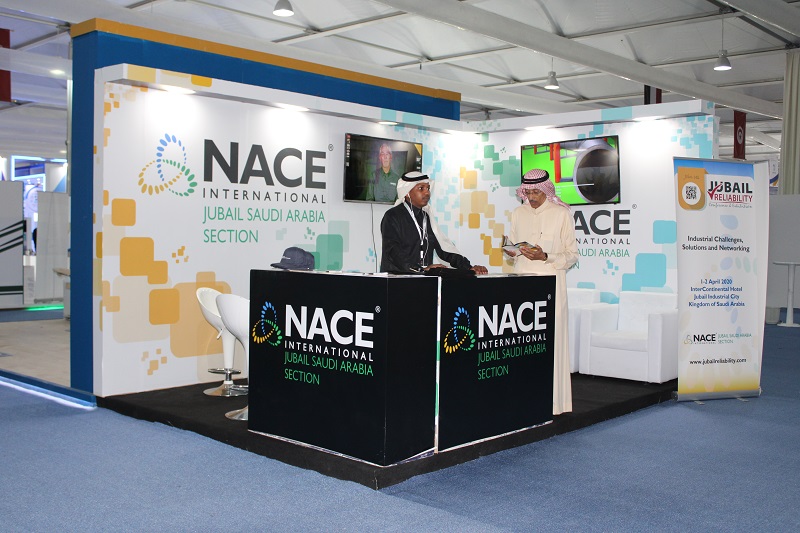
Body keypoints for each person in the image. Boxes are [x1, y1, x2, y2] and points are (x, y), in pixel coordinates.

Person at [505, 168, 579, 416]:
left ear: (546, 190)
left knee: (551, 344)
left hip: (550, 287)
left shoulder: (561, 214)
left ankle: (554, 404)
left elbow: (572, 256)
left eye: (536, 192)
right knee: (522, 344)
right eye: (528, 192)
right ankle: (523, 400)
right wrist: (511, 251)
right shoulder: (518, 213)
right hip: (522, 286)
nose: (532, 197)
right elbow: (512, 248)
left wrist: (546, 256)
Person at [380, 171, 488, 275]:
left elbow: (443, 248)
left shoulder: (426, 217)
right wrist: (419, 269)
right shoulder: (392, 216)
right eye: (421, 188)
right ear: (407, 192)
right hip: (396, 281)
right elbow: (393, 252)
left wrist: (468, 267)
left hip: (423, 280)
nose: (427, 193)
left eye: (428, 188)